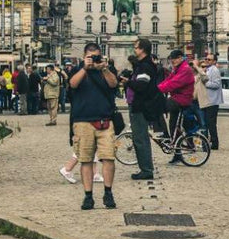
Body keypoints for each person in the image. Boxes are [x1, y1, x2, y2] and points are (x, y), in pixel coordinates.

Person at [68, 43, 118, 210]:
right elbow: (73, 84)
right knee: (86, 159)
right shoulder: (77, 70)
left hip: (105, 120)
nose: (94, 59)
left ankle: (108, 193)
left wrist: (103, 68)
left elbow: (113, 84)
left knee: (109, 158)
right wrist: (85, 68)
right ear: (84, 56)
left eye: (96, 56)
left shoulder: (106, 70)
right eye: (91, 56)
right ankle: (88, 196)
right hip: (83, 121)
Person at [125, 38, 163, 180]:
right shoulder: (142, 65)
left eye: (136, 47)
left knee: (140, 138)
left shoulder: (145, 66)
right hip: (138, 105)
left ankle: (146, 170)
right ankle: (145, 168)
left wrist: (128, 82)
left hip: (140, 106)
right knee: (139, 137)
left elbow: (141, 86)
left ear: (142, 49)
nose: (134, 50)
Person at [158, 49, 195, 164]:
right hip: (177, 99)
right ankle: (177, 154)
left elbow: (174, 83)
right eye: (171, 59)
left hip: (181, 100)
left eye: (174, 58)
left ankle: (165, 135)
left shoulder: (185, 69)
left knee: (157, 107)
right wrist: (156, 88)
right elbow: (168, 80)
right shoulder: (177, 69)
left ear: (180, 58)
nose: (172, 61)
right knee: (174, 127)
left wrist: (157, 90)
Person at [194, 53, 223, 149]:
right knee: (207, 123)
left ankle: (214, 143)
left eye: (209, 59)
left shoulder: (214, 70)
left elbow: (216, 84)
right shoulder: (208, 69)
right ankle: (210, 142)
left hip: (212, 101)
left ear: (214, 61)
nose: (207, 60)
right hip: (207, 100)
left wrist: (205, 83)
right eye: (206, 58)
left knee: (211, 124)